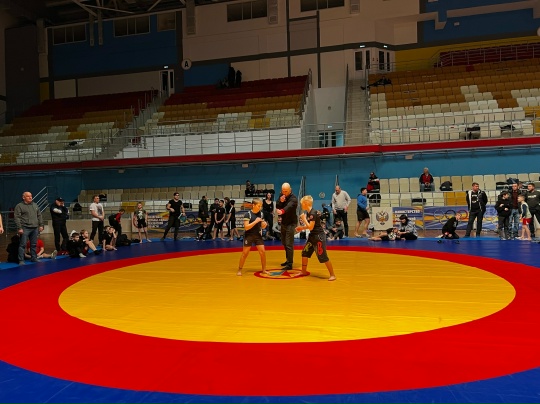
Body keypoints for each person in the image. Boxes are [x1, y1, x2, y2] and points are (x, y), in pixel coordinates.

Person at [296, 195, 336, 281]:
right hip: (313, 236)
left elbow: (310, 227)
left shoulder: (312, 213)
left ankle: (332, 274)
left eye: (302, 203)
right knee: (305, 252)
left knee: (323, 256)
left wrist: (304, 219)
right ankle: (303, 271)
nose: (301, 205)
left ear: (306, 203)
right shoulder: (310, 212)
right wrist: (301, 228)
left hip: (318, 237)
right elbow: (312, 226)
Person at [237, 198, 268, 276]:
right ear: (253, 205)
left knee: (262, 252)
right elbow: (246, 227)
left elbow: (262, 226)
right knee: (245, 253)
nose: (260, 207)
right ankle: (240, 269)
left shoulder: (261, 214)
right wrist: (256, 221)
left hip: (257, 235)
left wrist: (264, 225)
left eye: (261, 206)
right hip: (249, 235)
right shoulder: (248, 214)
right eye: (258, 206)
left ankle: (264, 270)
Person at [14, 191, 44, 265]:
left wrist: (41, 225)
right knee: (22, 245)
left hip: (34, 228)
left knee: (33, 244)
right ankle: (21, 260)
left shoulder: (35, 205)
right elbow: (17, 217)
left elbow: (39, 215)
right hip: (25, 228)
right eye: (28, 196)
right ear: (23, 197)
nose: (30, 197)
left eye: (31, 196)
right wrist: (19, 228)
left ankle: (34, 258)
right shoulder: (19, 206)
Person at [275, 182, 298, 271]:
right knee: (284, 242)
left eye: (286, 191)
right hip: (284, 222)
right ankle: (288, 259)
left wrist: (282, 211)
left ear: (290, 190)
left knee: (289, 243)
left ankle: (290, 264)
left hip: (291, 223)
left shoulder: (293, 199)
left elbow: (289, 206)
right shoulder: (281, 195)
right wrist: (280, 201)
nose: (284, 193)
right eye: (283, 191)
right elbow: (277, 205)